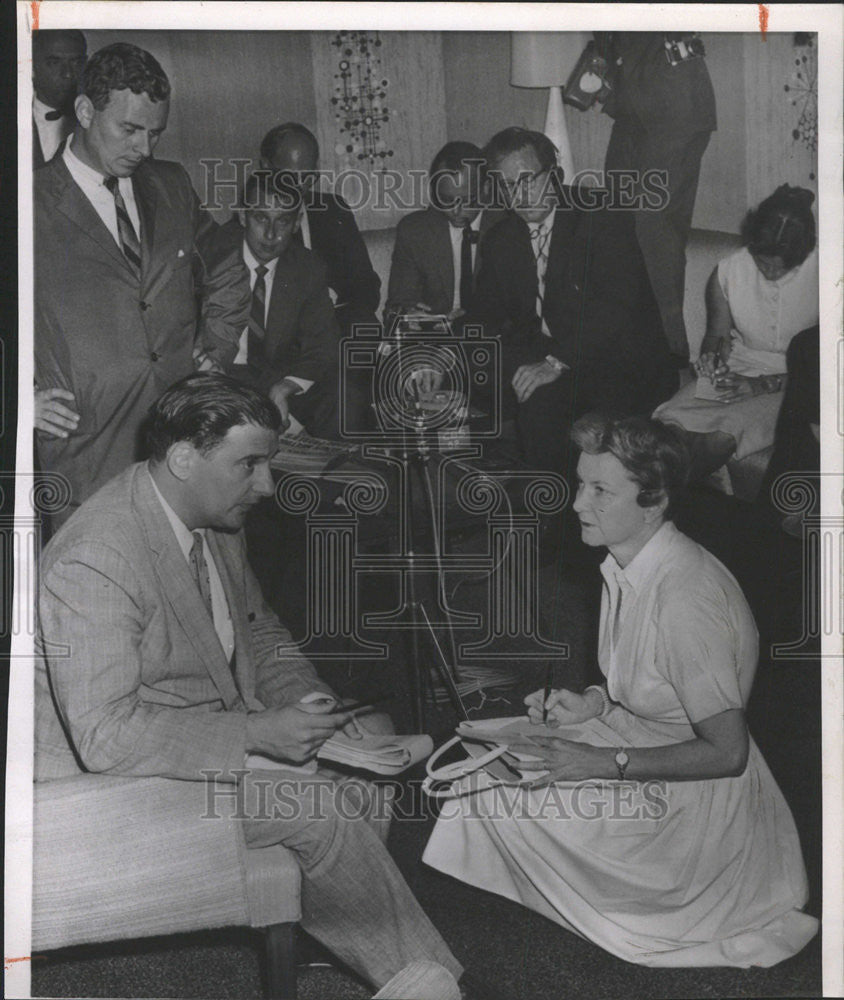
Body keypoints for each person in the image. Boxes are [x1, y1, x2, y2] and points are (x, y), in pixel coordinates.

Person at [35, 373, 464, 992]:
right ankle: (430, 982)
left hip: (188, 736)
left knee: (370, 744)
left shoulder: (210, 516)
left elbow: (260, 633)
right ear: (185, 458)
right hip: (107, 792)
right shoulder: (97, 556)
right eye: (250, 465)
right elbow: (105, 736)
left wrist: (306, 705)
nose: (266, 486)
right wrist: (261, 734)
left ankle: (342, 933)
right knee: (314, 806)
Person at [423, 413, 818, 968]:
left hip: (696, 804)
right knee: (489, 765)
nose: (579, 504)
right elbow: (657, 688)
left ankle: (608, 911)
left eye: (601, 490)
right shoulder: (629, 565)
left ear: (653, 501)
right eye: (582, 483)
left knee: (499, 791)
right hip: (645, 748)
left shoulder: (685, 597)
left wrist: (597, 760)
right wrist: (593, 702)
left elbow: (728, 753)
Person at [34, 42, 250, 523]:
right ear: (86, 111)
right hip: (86, 460)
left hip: (183, 448)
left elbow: (226, 269)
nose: (144, 149)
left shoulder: (170, 183)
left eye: (155, 133)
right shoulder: (27, 205)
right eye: (129, 129)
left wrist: (215, 346)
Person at [469, 126, 675, 472]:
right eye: (505, 186)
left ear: (555, 174)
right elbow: (484, 316)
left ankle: (563, 512)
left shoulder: (600, 215)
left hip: (620, 365)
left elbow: (615, 310)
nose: (518, 195)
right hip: (558, 362)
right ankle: (548, 507)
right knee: (520, 395)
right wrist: (439, 357)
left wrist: (555, 362)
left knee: (539, 401)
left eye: (527, 180)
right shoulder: (501, 239)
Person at [654, 185, 819, 479]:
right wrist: (710, 359)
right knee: (668, 427)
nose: (768, 273)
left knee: (719, 439)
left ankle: (659, 503)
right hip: (739, 366)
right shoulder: (730, 270)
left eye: (779, 269)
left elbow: (827, 364)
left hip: (798, 384)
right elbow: (717, 335)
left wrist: (760, 385)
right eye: (762, 263)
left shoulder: (827, 274)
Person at [594, 31, 717, 362]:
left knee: (652, 227)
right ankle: (633, 347)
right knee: (618, 218)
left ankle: (669, 355)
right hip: (633, 102)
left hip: (674, 105)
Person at [202, 170, 342, 439]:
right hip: (222, 377)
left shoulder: (308, 267)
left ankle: (326, 477)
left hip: (278, 375)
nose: (270, 234)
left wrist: (285, 387)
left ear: (297, 223)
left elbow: (324, 345)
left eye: (283, 221)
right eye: (260, 218)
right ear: (242, 215)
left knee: (343, 395)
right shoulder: (208, 256)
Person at [259, 122, 381, 337]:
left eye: (307, 177)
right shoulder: (250, 224)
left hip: (336, 327)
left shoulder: (334, 211)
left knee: (365, 329)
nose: (299, 187)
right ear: (266, 168)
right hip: (284, 337)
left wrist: (337, 307)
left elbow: (367, 285)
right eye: (289, 177)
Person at [386, 141, 499, 323]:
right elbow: (396, 306)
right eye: (446, 199)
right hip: (435, 340)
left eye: (466, 199)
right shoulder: (414, 231)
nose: (456, 210)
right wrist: (408, 315)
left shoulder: (506, 227)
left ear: (485, 189)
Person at [32, 29, 87, 169]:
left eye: (76, 62)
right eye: (54, 63)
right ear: (32, 65)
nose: (68, 74)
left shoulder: (96, 121)